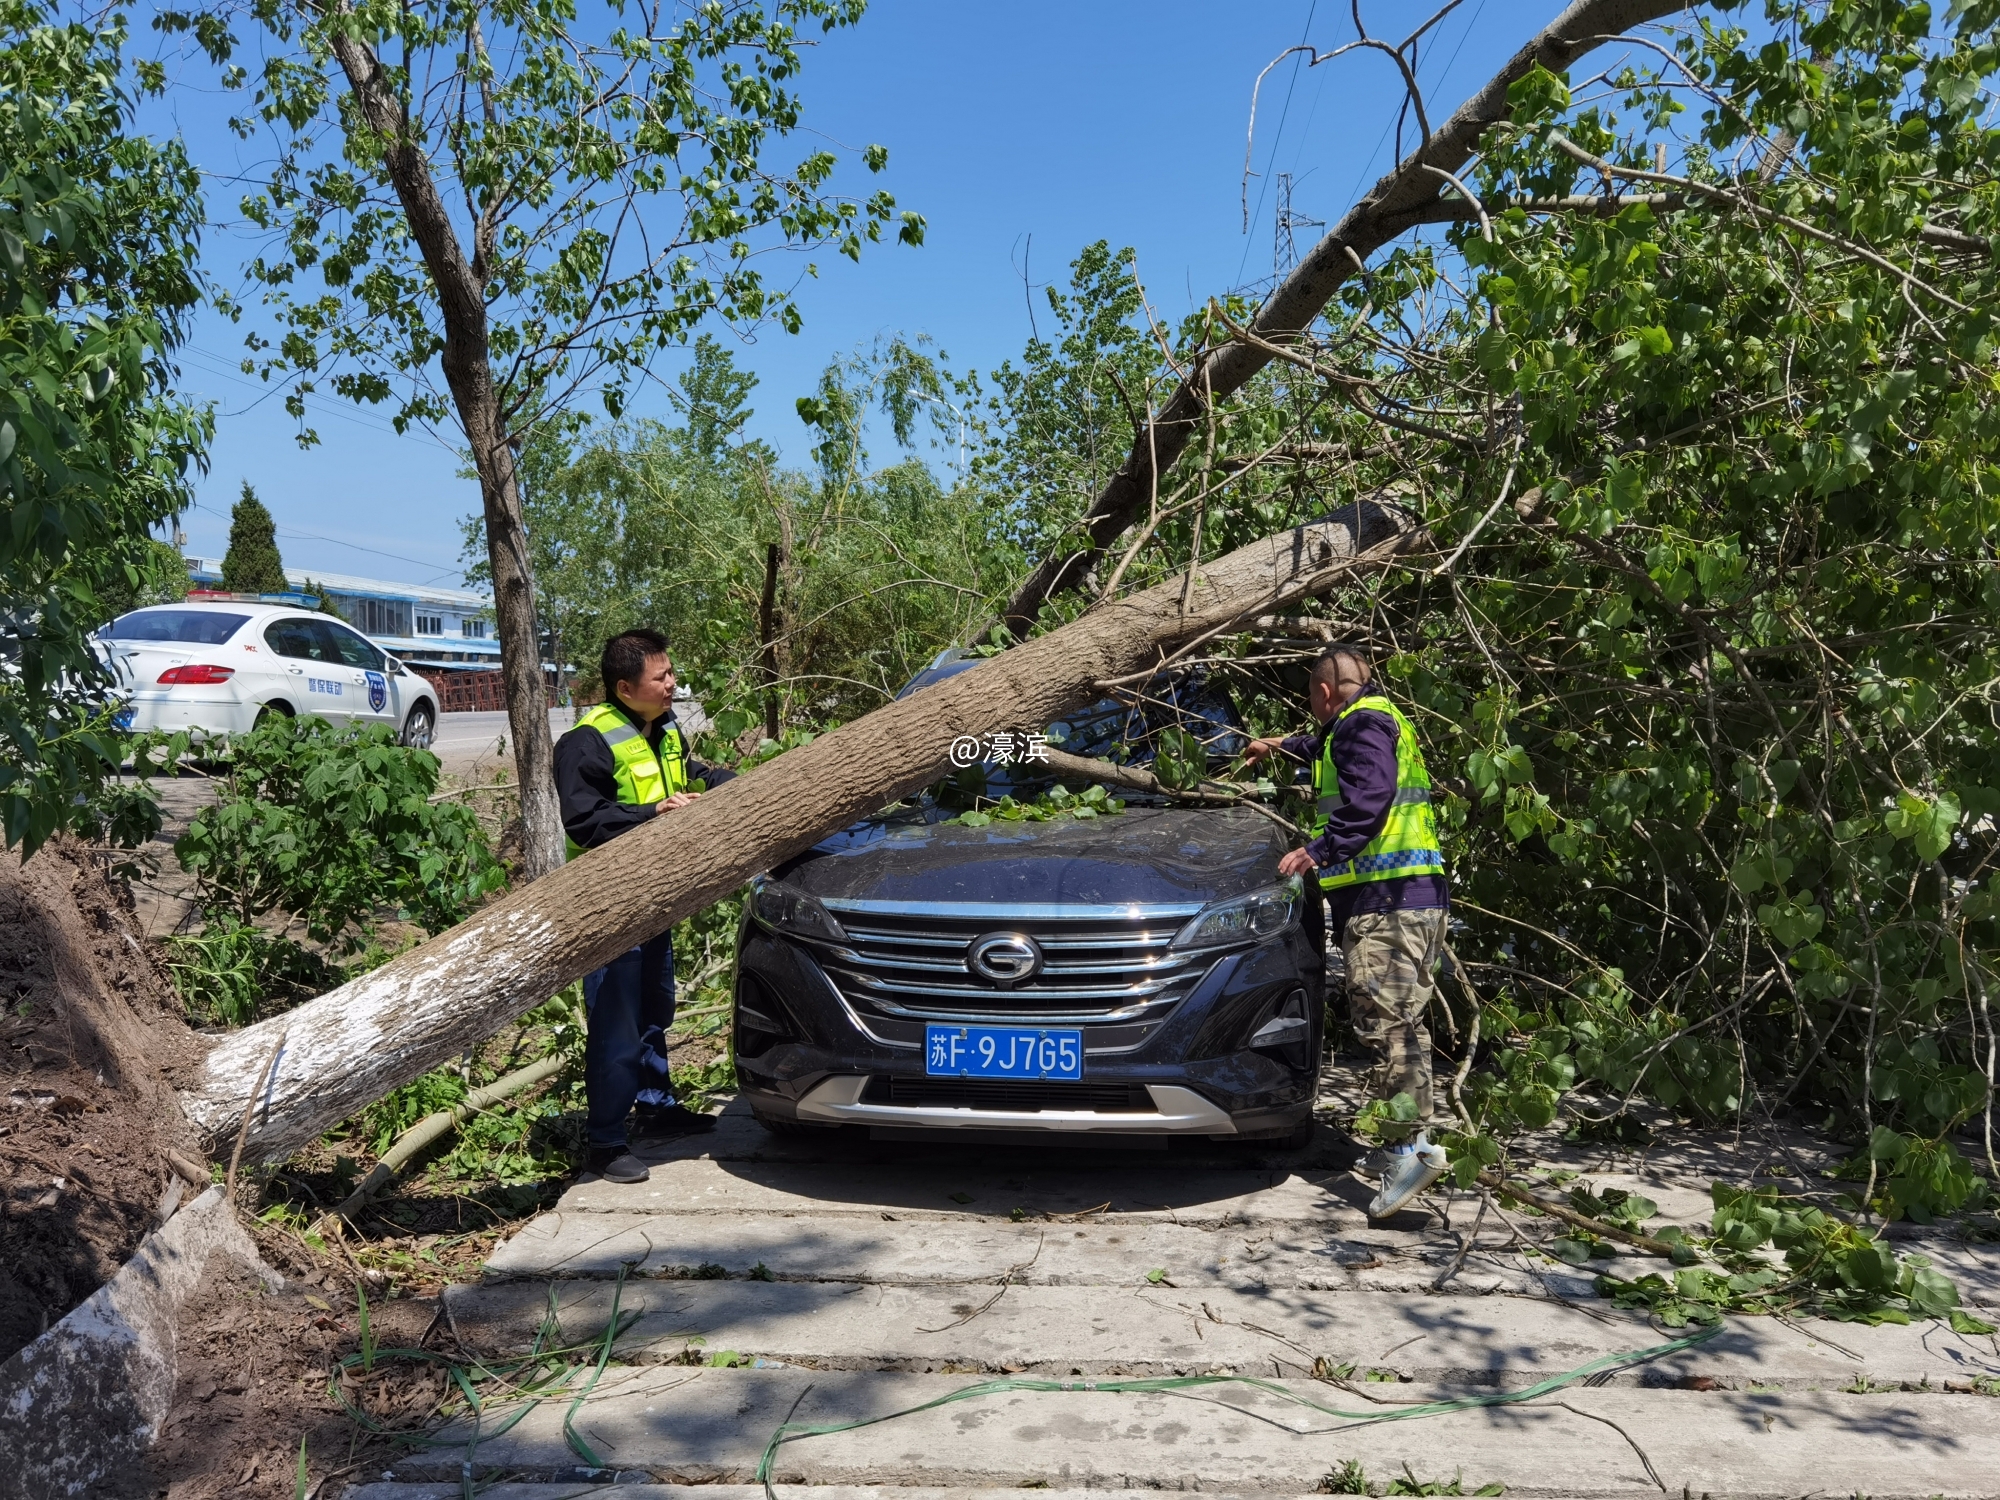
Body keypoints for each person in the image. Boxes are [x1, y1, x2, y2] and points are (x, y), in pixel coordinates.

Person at [1245, 645, 1451, 1218]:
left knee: (1388, 1020)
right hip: (1405, 897)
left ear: (1326, 693)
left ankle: (1411, 1149)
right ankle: (1398, 1144)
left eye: (1312, 698)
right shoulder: (1371, 722)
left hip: (1390, 900)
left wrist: (1318, 850)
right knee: (1387, 1015)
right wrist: (1280, 745)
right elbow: (1325, 747)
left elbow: (1370, 798)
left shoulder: (1361, 729)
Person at [555, 628, 736, 1185]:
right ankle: (606, 1141)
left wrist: (730, 785)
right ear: (625, 686)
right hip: (608, 905)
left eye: (670, 672)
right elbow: (585, 822)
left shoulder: (664, 728)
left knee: (656, 1005)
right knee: (617, 1020)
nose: (673, 684)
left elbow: (690, 774)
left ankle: (657, 1107)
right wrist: (654, 812)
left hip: (657, 896)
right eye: (662, 678)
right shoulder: (585, 742)